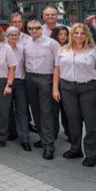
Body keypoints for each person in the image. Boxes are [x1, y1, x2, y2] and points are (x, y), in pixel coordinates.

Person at [52, 24, 96, 167]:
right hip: (67, 89)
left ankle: (91, 155)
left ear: (87, 35)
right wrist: (55, 89)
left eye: (82, 33)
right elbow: (57, 70)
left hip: (89, 89)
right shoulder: (63, 50)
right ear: (71, 35)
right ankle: (75, 148)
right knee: (73, 120)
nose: (78, 36)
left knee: (91, 123)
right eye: (75, 33)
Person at [24, 19, 60, 160]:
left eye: (37, 28)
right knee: (36, 111)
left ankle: (49, 146)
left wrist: (55, 85)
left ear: (42, 28)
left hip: (46, 79)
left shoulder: (52, 43)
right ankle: (42, 137)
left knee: (46, 112)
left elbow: (58, 65)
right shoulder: (26, 43)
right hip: (30, 79)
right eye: (30, 28)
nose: (34, 31)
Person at [5, 27, 31, 151]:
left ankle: (24, 138)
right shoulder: (2, 48)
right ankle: (12, 132)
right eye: (11, 35)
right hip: (6, 83)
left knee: (22, 110)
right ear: (6, 36)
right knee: (8, 109)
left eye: (16, 35)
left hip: (20, 82)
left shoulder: (23, 49)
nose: (13, 38)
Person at [50, 25, 71, 142]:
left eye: (65, 34)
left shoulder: (71, 47)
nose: (63, 36)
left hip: (67, 81)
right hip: (53, 81)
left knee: (67, 110)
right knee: (53, 109)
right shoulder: (51, 47)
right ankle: (53, 133)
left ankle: (70, 133)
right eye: (60, 34)